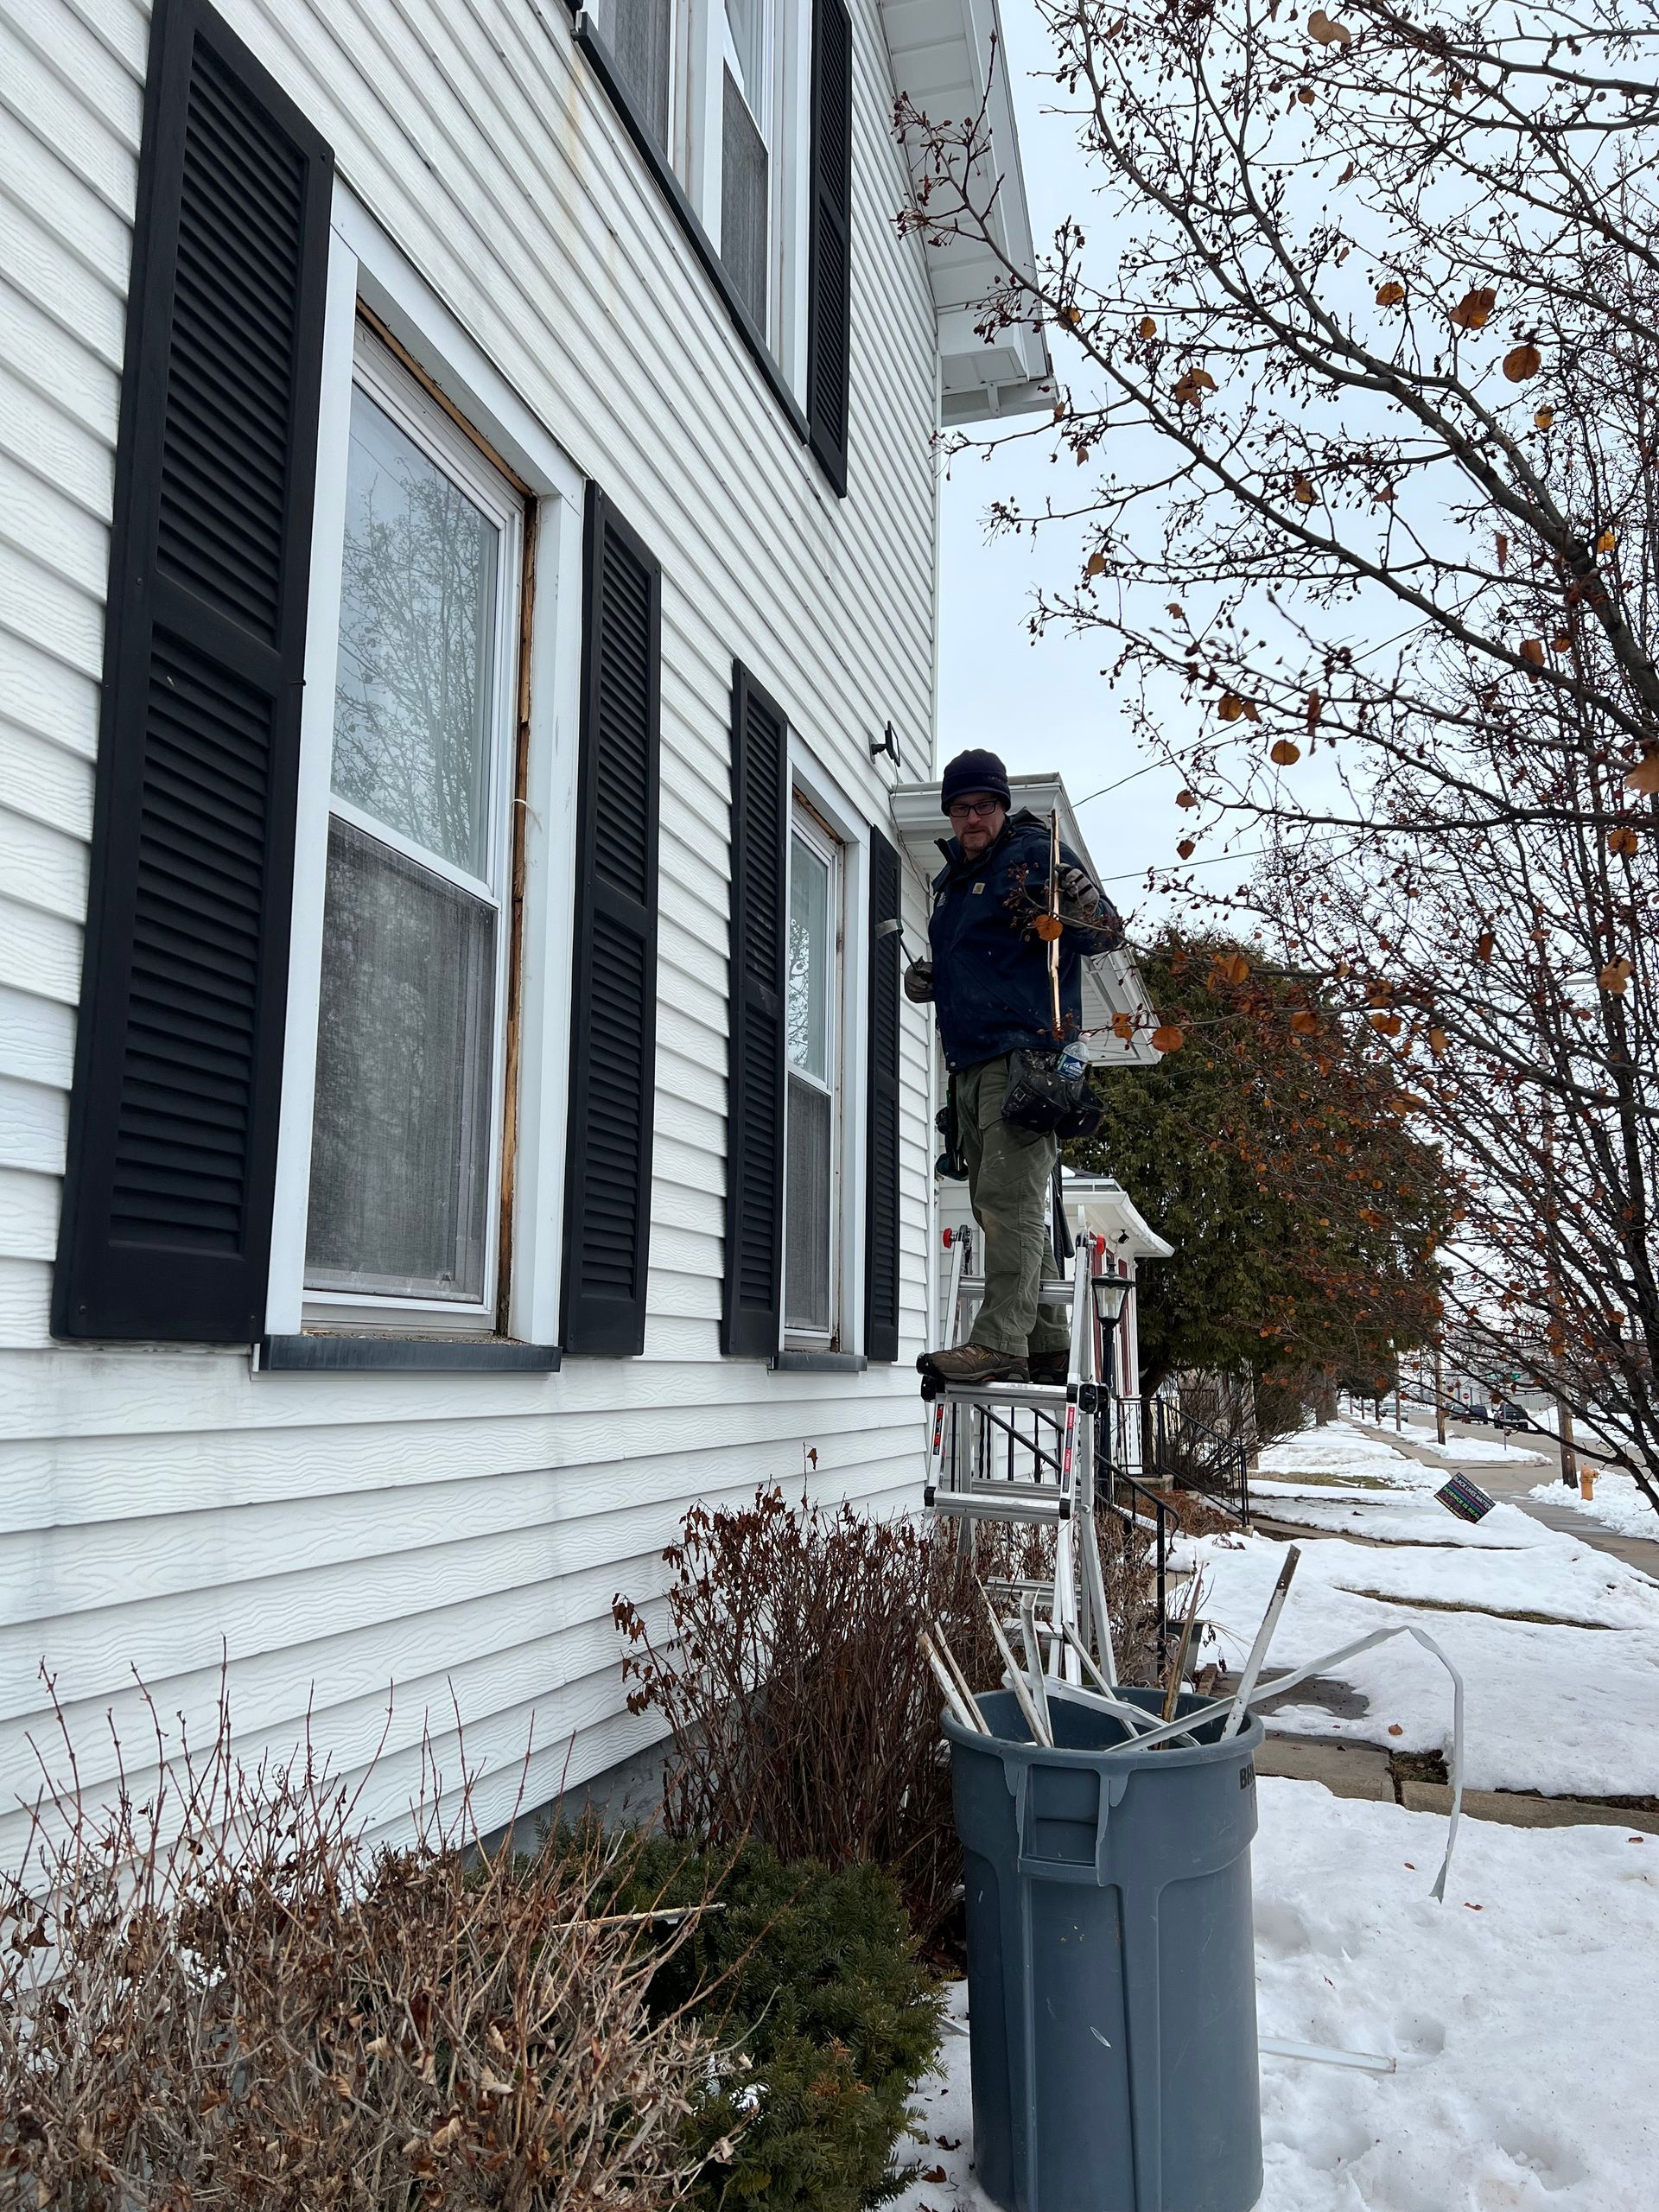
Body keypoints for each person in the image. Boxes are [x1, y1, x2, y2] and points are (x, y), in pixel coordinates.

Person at [906, 749, 1124, 1385]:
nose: (972, 818)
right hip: (970, 1060)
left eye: (983, 805)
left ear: (1002, 806)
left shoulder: (1034, 856)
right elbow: (986, 960)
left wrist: (1085, 909)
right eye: (960, 808)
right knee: (997, 1203)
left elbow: (1103, 935)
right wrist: (937, 978)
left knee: (1010, 1202)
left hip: (1024, 1058)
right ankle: (1049, 1343)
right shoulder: (954, 880)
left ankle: (1000, 1341)